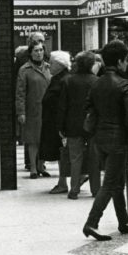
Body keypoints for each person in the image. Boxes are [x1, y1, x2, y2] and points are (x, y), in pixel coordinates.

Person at [82, 40, 128, 241]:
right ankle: (91, 223)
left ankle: (124, 221)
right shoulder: (125, 84)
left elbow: (88, 108)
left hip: (99, 137)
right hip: (118, 138)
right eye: (127, 59)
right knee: (111, 182)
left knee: (116, 182)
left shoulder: (96, 82)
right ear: (120, 61)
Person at [57, 50, 100, 200]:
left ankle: (74, 190)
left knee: (75, 158)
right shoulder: (96, 81)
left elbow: (62, 106)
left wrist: (61, 126)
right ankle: (96, 190)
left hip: (73, 125)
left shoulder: (68, 81)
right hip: (93, 125)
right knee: (94, 158)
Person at [17, 42, 51, 179]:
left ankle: (41, 165)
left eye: (41, 50)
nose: (39, 53)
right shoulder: (24, 70)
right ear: (30, 53)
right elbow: (20, 92)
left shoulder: (49, 67)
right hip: (32, 109)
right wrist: (21, 112)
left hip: (48, 110)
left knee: (45, 139)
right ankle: (32, 168)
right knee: (32, 140)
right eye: (36, 50)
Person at [40, 51, 72, 194]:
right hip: (54, 121)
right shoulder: (57, 78)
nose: (48, 65)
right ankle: (64, 180)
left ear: (59, 65)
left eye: (51, 63)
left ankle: (63, 182)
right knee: (61, 153)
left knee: (62, 153)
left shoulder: (63, 80)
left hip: (58, 122)